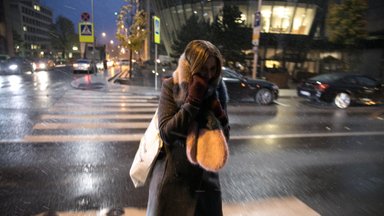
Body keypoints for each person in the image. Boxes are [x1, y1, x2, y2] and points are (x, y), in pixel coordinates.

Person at [146, 40, 230, 216]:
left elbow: (225, 136)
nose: (208, 75)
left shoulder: (218, 88)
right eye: (203, 69)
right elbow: (167, 133)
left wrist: (220, 117)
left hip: (207, 182)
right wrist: (192, 102)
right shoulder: (171, 86)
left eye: (213, 69)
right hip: (175, 182)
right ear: (190, 66)